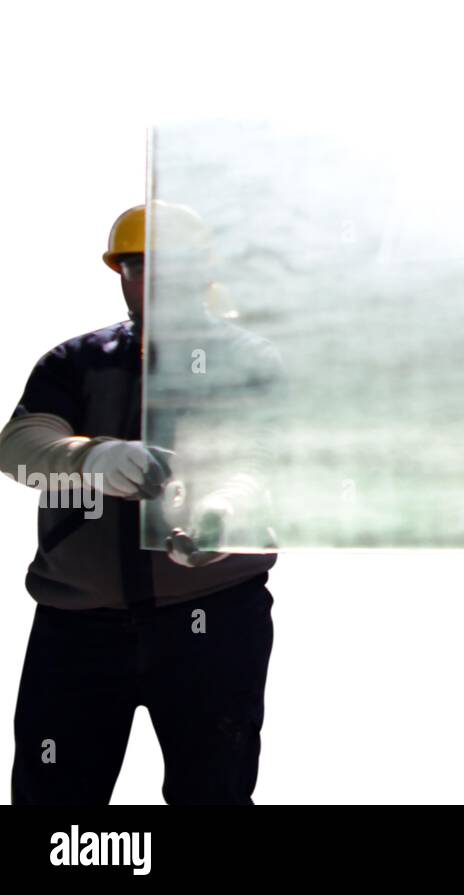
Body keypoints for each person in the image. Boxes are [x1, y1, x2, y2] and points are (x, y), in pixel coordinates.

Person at [0, 202, 279, 805]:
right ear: (118, 273)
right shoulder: (78, 361)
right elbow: (18, 449)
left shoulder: (249, 361)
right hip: (76, 629)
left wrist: (226, 512)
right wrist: (88, 457)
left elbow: (270, 456)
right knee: (54, 805)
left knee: (214, 794)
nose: (151, 284)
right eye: (135, 267)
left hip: (211, 619)